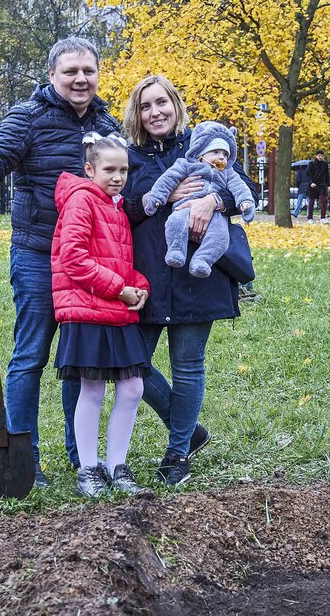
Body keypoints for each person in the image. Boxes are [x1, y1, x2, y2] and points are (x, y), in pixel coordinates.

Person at [0, 37, 120, 488]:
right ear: (52, 75)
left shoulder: (107, 124)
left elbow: (126, 182)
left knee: (78, 359)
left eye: (88, 70)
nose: (81, 79)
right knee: (30, 356)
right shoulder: (27, 117)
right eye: (71, 71)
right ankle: (26, 460)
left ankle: (80, 457)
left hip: (86, 261)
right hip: (38, 254)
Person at [121, 74, 256, 485]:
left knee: (188, 365)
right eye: (145, 106)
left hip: (199, 277)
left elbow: (246, 187)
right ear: (136, 114)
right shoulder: (130, 157)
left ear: (176, 105)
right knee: (132, 365)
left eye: (162, 102)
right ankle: (188, 428)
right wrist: (163, 200)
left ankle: (178, 452)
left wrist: (212, 199)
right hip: (148, 276)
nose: (155, 112)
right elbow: (117, 208)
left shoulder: (202, 145)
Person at [51, 133, 152, 497]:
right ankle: (89, 469)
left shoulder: (117, 206)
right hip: (87, 309)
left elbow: (121, 262)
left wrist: (138, 285)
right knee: (91, 389)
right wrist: (119, 289)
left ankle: (117, 466)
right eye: (109, 169)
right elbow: (73, 258)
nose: (118, 176)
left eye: (123, 170)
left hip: (116, 307)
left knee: (133, 387)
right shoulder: (81, 201)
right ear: (90, 169)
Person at [142, 120, 256, 277]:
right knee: (175, 223)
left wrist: (245, 202)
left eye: (225, 154)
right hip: (184, 208)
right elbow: (167, 180)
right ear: (201, 152)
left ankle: (202, 260)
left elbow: (241, 188)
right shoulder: (186, 165)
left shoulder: (228, 173)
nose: (221, 157)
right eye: (215, 152)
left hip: (216, 217)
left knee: (220, 238)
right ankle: (176, 251)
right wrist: (157, 197)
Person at [307, 150, 330, 221]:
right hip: (313, 185)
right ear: (316, 156)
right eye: (319, 155)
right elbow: (308, 174)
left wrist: (328, 185)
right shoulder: (311, 164)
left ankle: (323, 217)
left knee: (324, 200)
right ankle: (310, 218)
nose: (320, 157)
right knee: (311, 201)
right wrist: (311, 183)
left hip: (322, 185)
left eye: (322, 156)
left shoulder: (325, 164)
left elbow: (327, 175)